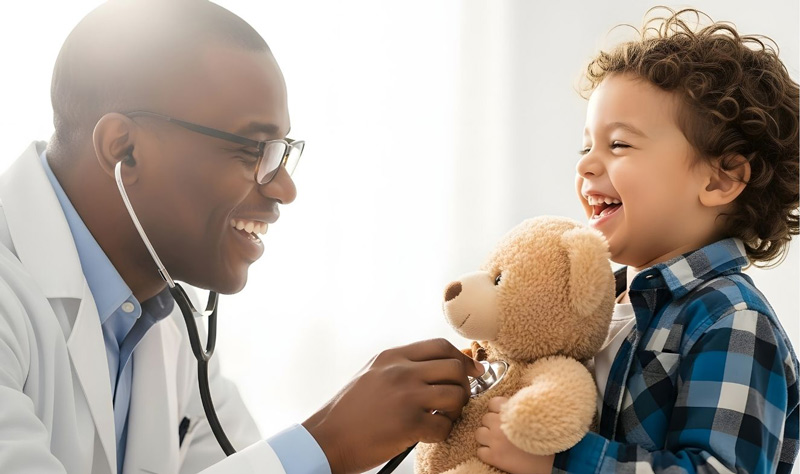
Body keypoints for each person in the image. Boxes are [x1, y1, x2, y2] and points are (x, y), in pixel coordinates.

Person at [0, 1, 485, 473]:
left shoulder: (167, 323)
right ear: (124, 150)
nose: (284, 189)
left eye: (281, 152)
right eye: (252, 150)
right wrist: (329, 441)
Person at [473, 8, 799, 474]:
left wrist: (558, 460)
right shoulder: (592, 305)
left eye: (619, 145)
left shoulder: (733, 320)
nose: (586, 165)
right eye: (586, 146)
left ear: (722, 179)